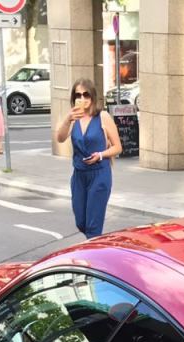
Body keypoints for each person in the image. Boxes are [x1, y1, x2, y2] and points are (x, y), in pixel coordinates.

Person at [54, 78, 122, 239]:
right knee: (81, 222)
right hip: (79, 175)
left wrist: (100, 155)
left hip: (99, 175)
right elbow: (60, 138)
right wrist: (67, 120)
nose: (82, 99)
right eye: (78, 95)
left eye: (86, 95)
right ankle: (96, 245)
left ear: (92, 97)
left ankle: (93, 259)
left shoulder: (103, 117)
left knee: (93, 226)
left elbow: (118, 147)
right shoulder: (73, 118)